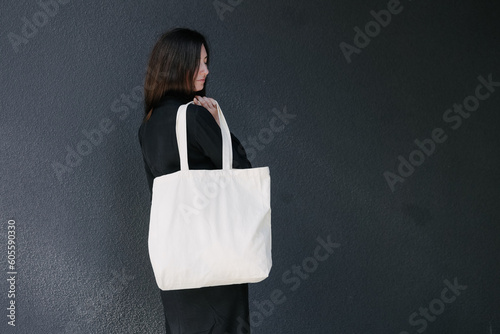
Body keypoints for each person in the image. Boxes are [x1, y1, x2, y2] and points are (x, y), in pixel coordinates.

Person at [138, 28, 252, 333]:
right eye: (199, 63)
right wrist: (219, 126)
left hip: (176, 263)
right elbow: (240, 170)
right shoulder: (194, 116)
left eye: (206, 62)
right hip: (213, 260)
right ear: (179, 65)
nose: (206, 70)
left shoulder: (147, 125)